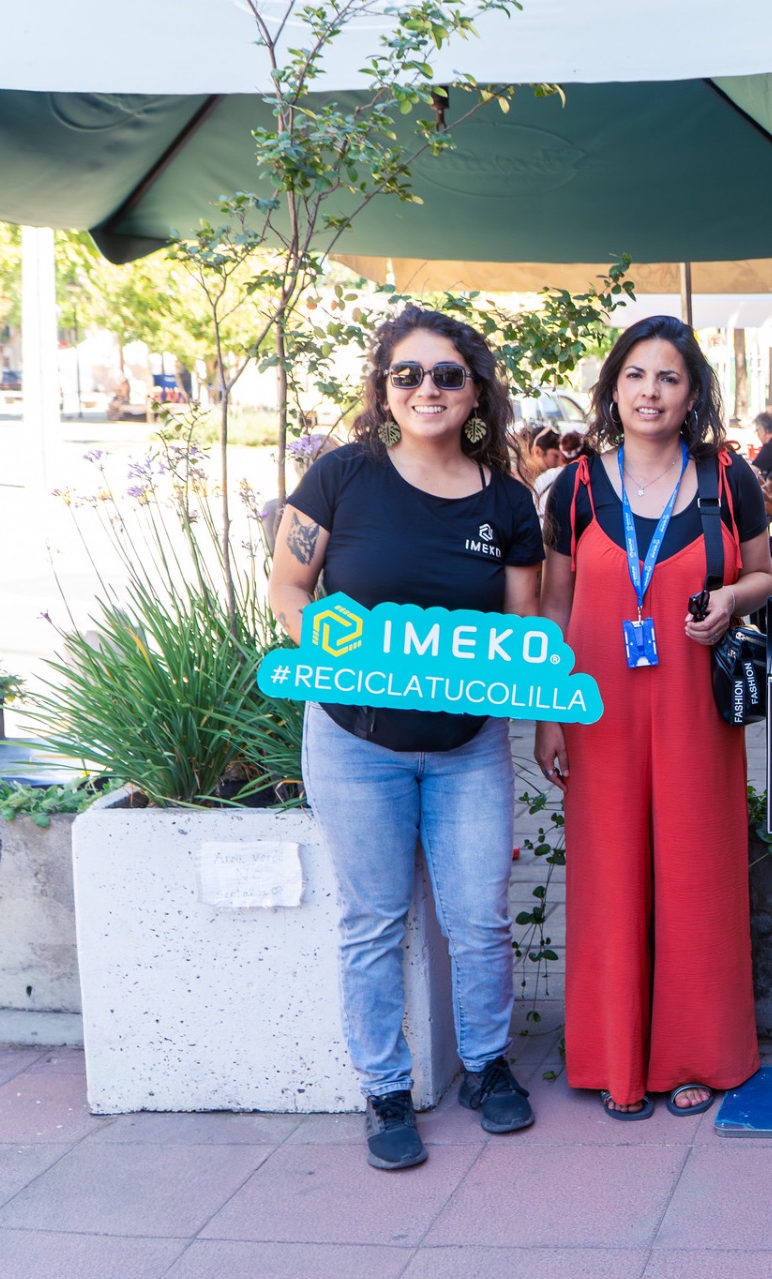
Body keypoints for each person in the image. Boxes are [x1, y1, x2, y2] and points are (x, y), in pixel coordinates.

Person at [268, 305, 543, 1171]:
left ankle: (487, 1065)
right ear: (384, 388)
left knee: (479, 917)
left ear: (475, 390)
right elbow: (286, 585)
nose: (428, 388)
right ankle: (384, 1087)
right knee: (373, 918)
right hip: (354, 740)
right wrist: (345, 659)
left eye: (447, 374)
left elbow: (523, 622)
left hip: (467, 747)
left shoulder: (507, 501)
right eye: (408, 374)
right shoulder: (339, 478)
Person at [534, 315, 772, 1119]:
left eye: (669, 377)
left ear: (693, 393)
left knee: (697, 872)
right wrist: (547, 712)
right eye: (636, 374)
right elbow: (554, 601)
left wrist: (733, 598)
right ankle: (613, 1057)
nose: (651, 391)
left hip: (695, 703)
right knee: (608, 875)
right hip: (594, 704)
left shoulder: (727, 478)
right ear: (613, 387)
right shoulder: (571, 487)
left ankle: (696, 1053)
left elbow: (767, 575)